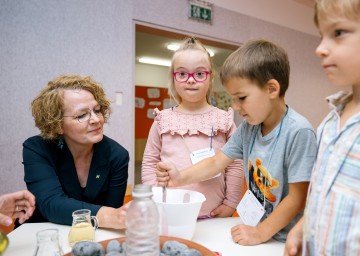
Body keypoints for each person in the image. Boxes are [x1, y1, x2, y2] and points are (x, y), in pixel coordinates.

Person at [157, 39, 318, 245]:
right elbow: (217, 162)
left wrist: (260, 232)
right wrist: (180, 178)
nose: (236, 106)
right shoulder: (249, 128)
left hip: (287, 239)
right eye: (233, 98)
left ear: (271, 89)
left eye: (241, 98)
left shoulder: (299, 131)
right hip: (257, 229)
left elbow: (297, 198)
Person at [284, 0, 360, 255]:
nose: (319, 49)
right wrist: (302, 228)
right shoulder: (329, 122)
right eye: (321, 36)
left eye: (337, 33)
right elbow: (323, 194)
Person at [141, 37, 244, 218]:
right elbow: (150, 163)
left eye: (199, 74)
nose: (190, 80)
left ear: (210, 77)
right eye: (182, 74)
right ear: (173, 78)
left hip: (214, 213)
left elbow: (235, 164)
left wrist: (231, 203)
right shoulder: (161, 120)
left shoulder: (224, 120)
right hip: (169, 211)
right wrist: (153, 200)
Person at [22, 74, 129, 229]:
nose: (96, 120)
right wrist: (110, 216)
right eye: (82, 115)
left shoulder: (117, 155)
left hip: (93, 234)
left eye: (97, 110)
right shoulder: (37, 148)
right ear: (57, 125)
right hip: (42, 231)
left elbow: (113, 215)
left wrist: (114, 216)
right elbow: (51, 204)